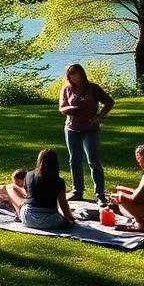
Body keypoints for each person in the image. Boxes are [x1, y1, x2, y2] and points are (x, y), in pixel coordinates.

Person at [58, 63, 115, 203]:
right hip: (71, 129)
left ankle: (100, 194)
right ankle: (77, 191)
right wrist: (70, 108)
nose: (74, 77)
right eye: (71, 74)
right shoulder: (67, 88)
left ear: (82, 74)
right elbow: (62, 107)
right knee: (74, 160)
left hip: (90, 129)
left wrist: (100, 117)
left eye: (76, 74)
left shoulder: (93, 88)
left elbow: (109, 102)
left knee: (93, 161)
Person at [6, 148, 76, 229]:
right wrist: (69, 218)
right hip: (50, 220)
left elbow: (29, 196)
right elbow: (63, 204)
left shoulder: (29, 175)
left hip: (28, 218)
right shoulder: (59, 181)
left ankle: (19, 213)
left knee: (20, 200)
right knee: (65, 222)